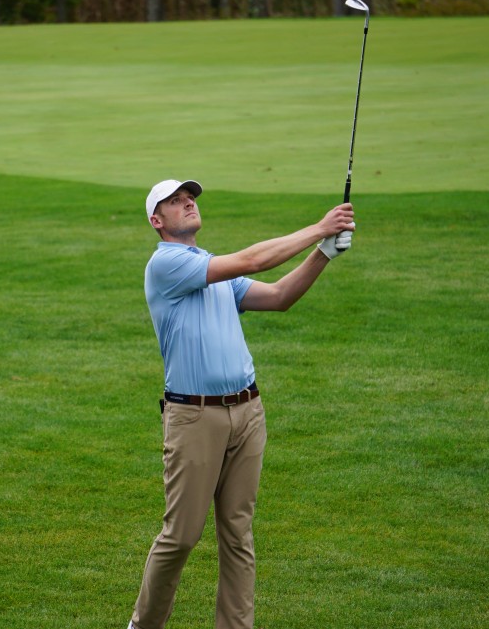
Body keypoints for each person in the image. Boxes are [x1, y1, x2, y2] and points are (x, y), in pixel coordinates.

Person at [127, 179, 355, 629]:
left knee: (238, 534)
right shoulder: (167, 264)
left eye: (189, 198)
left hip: (248, 412)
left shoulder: (213, 270)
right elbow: (253, 260)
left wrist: (324, 253)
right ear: (157, 220)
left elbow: (279, 297)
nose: (187, 203)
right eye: (175, 201)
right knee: (181, 536)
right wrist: (320, 228)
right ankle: (144, 625)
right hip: (194, 417)